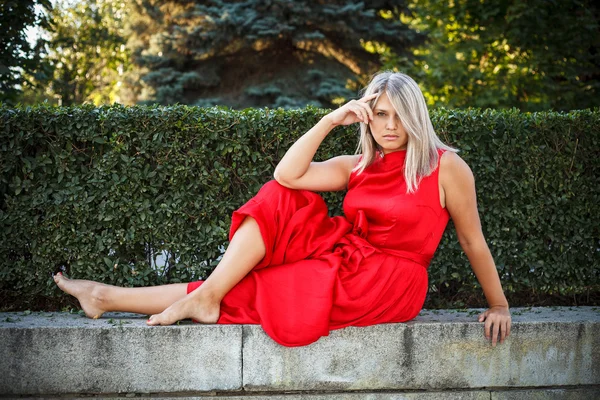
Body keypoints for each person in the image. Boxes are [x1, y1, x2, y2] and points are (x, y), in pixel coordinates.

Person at [54, 71, 512, 347]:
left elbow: (473, 240)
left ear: (416, 117)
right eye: (380, 115)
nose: (389, 126)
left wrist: (500, 305)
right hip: (347, 255)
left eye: (398, 115)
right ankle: (170, 296)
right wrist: (333, 119)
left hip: (389, 279)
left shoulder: (446, 167)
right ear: (368, 117)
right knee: (279, 199)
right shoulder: (357, 164)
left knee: (260, 289)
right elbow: (287, 175)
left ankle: (113, 297)